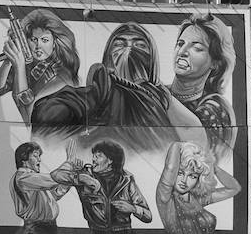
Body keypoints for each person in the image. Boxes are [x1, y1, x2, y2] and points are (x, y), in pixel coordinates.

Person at [30, 22, 206, 153]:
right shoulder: (95, 92)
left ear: (151, 59)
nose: (129, 49)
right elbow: (53, 112)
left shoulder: (159, 96)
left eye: (139, 45)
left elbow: (194, 133)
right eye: (120, 44)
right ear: (108, 57)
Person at [0, 8, 80, 125]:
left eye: (45, 40)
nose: (38, 46)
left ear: (55, 43)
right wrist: (8, 61)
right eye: (33, 40)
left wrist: (19, 66)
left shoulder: (63, 74)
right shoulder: (30, 64)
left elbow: (29, 113)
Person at [167, 14, 237, 160]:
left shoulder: (215, 108)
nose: (182, 52)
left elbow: (202, 161)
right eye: (180, 44)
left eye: (197, 48)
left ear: (216, 63)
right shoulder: (158, 92)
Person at [62, 139, 152, 234]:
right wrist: (70, 166)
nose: (93, 159)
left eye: (98, 156)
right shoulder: (85, 176)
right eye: (93, 156)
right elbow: (56, 179)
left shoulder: (127, 180)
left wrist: (133, 209)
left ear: (110, 160)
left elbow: (148, 216)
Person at [10, 140, 99, 234]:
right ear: (24, 159)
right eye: (35, 156)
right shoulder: (23, 178)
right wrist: (70, 165)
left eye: (39, 156)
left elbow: (55, 194)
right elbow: (53, 179)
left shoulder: (33, 182)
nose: (39, 160)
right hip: (36, 230)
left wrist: (71, 172)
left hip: (47, 228)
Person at [155, 141, 241, 234]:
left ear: (198, 180)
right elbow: (170, 167)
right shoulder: (166, 198)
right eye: (180, 173)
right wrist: (181, 145)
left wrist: (212, 167)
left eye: (192, 176)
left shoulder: (197, 199)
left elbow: (234, 188)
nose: (184, 180)